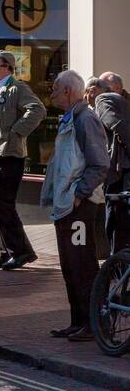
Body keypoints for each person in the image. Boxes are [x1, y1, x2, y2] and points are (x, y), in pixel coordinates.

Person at [41, 70, 109, 342]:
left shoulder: (85, 119)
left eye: (55, 88)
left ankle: (93, 325)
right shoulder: (69, 118)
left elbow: (99, 165)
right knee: (70, 264)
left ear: (68, 91)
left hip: (80, 205)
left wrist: (79, 194)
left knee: (83, 262)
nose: (52, 93)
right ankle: (77, 321)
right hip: (67, 203)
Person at [0, 50, 46, 271]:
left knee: (0, 202)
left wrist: (15, 133)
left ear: (6, 65)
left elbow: (38, 110)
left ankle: (21, 252)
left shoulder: (17, 87)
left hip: (6, 155)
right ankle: (6, 253)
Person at [89, 76, 130, 254]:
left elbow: (116, 124)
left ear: (92, 90)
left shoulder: (102, 99)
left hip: (119, 171)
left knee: (115, 220)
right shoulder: (122, 100)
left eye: (86, 92)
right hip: (123, 170)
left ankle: (115, 267)